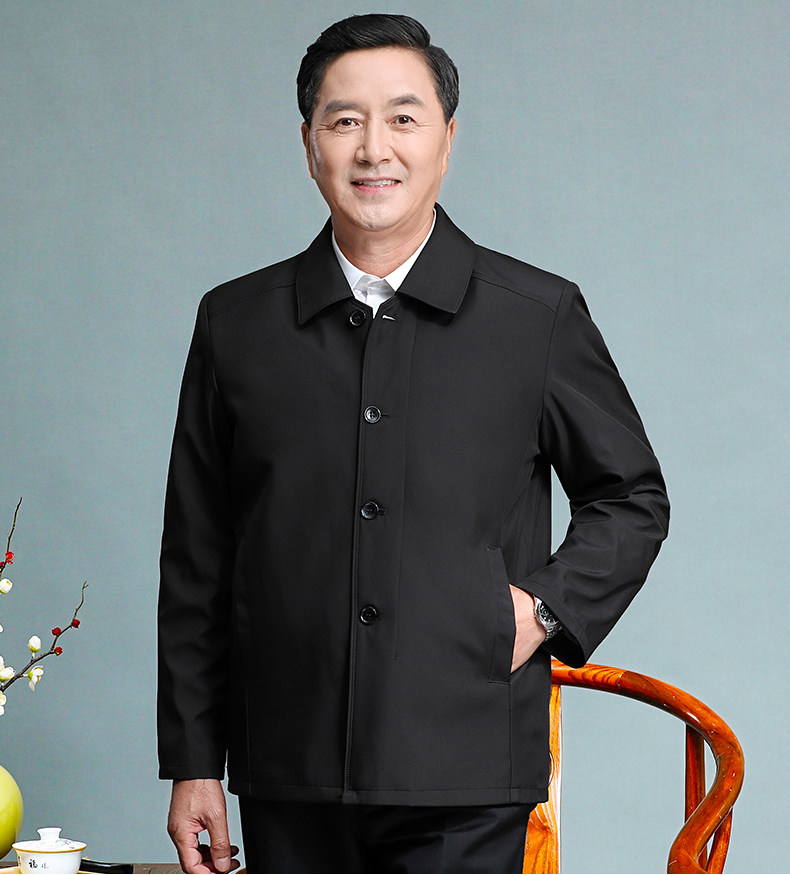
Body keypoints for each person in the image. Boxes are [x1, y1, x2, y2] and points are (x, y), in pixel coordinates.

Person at [157, 13, 669, 874]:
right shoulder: (236, 323)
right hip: (287, 762)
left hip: (467, 764)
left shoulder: (535, 316)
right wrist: (194, 759)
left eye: (403, 117)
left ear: (447, 140)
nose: (374, 149)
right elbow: (197, 555)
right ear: (309, 144)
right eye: (344, 120)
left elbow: (632, 497)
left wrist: (539, 610)